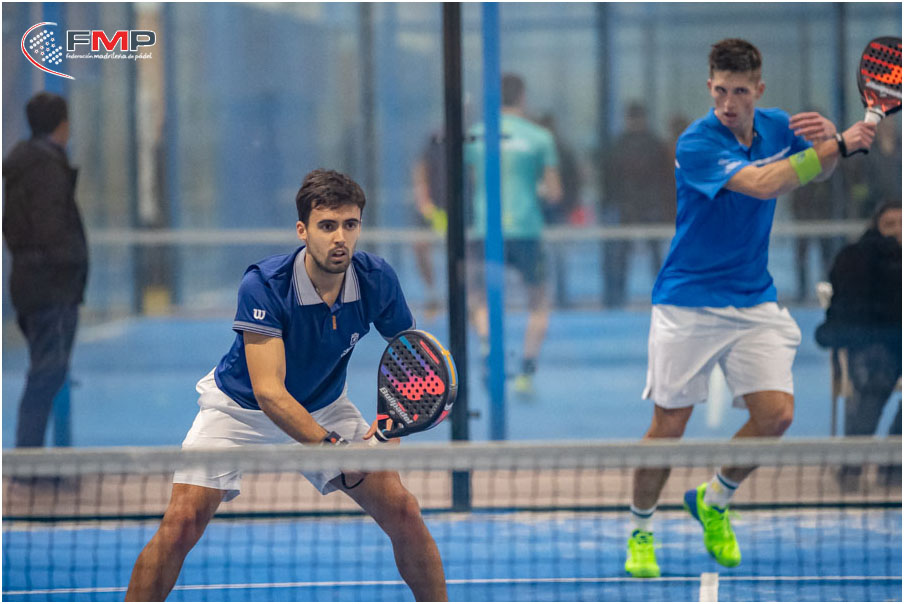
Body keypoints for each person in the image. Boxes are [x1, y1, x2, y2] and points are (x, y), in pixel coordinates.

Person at [125, 169, 447, 601]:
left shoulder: (376, 279)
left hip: (324, 406)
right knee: (182, 521)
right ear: (302, 230)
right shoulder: (265, 285)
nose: (340, 238)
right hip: (240, 410)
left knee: (404, 511)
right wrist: (338, 451)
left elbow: (413, 357)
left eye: (350, 225)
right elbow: (270, 394)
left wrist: (391, 432)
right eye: (327, 226)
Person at [624, 38, 876, 579]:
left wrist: (831, 143)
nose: (728, 103)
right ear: (709, 86)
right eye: (720, 91)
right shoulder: (697, 142)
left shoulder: (780, 125)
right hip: (687, 302)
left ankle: (713, 499)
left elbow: (821, 173)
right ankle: (641, 529)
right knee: (669, 426)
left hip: (753, 297)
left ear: (759, 90)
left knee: (777, 415)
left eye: (740, 92)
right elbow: (762, 184)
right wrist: (838, 144)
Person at [464, 73, 562, 395]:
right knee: (539, 304)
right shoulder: (539, 137)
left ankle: (487, 347)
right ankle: (526, 373)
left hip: (485, 229)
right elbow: (554, 192)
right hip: (526, 230)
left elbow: (469, 180)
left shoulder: (475, 136)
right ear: (522, 97)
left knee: (478, 298)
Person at [2, 92, 88, 448]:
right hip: (51, 292)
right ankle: (29, 461)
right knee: (46, 375)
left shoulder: (23, 166)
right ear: (63, 125)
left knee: (47, 373)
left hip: (33, 289)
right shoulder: (46, 169)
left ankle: (32, 459)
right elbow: (52, 231)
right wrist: (68, 273)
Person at [815, 202, 901, 488]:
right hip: (870, 343)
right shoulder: (855, 257)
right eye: (890, 225)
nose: (897, 231)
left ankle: (894, 463)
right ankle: (851, 465)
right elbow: (848, 308)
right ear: (876, 227)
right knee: (876, 379)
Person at [601, 103, 672, 308]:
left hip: (632, 205)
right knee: (647, 253)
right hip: (644, 206)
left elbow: (610, 179)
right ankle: (656, 295)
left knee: (627, 253)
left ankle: (617, 297)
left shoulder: (621, 145)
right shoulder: (653, 144)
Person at [411, 130, 447, 318]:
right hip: (433, 211)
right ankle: (432, 295)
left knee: (468, 254)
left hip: (457, 209)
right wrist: (425, 203)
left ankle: (469, 299)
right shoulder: (431, 146)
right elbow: (420, 172)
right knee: (420, 246)